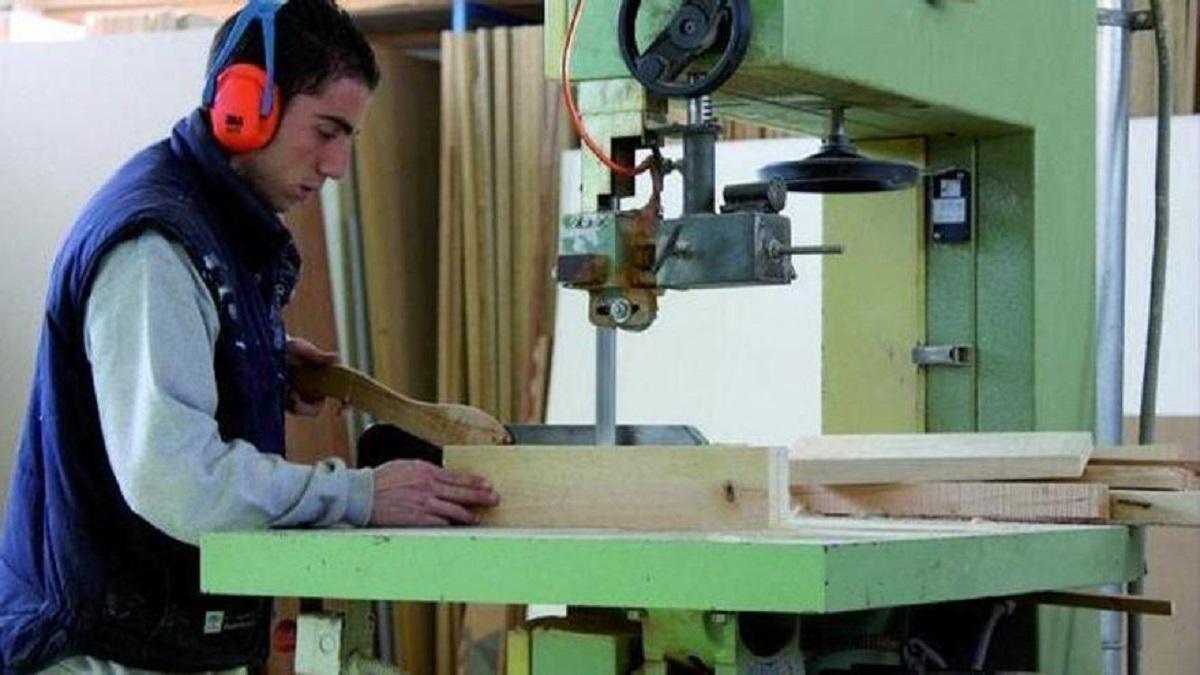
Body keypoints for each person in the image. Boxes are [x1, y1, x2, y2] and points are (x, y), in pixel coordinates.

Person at [0, 0, 497, 671]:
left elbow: (166, 363)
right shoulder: (155, 246)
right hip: (104, 648)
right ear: (244, 104)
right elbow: (175, 479)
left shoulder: (212, 219)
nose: (339, 165)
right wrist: (362, 494)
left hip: (158, 635)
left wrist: (255, 362)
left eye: (349, 137)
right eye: (327, 130)